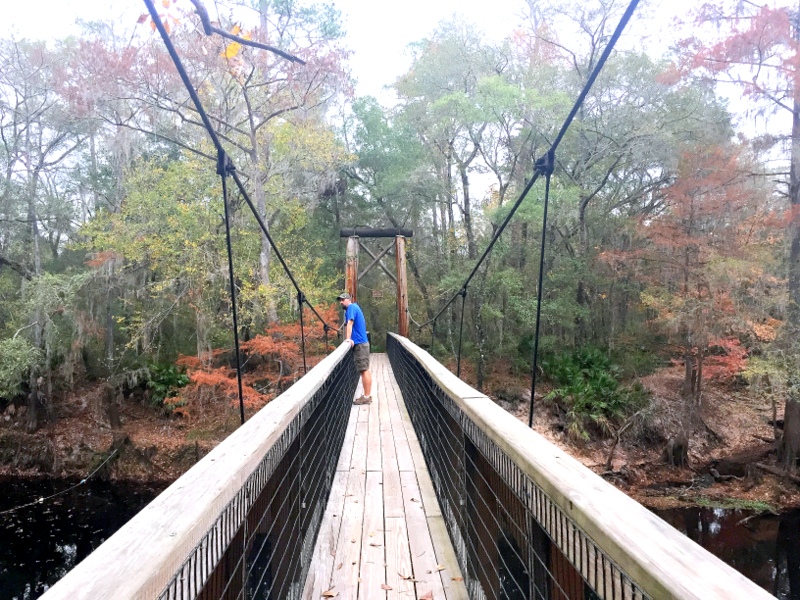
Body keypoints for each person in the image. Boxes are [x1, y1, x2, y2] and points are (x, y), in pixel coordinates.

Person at [337, 292, 372, 405]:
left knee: (364, 370)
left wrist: (347, 339)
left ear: (348, 299)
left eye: (343, 300)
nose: (341, 302)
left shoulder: (351, 307)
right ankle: (367, 395)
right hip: (362, 343)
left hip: (360, 344)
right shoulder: (354, 308)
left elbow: (350, 323)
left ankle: (366, 397)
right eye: (340, 300)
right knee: (364, 370)